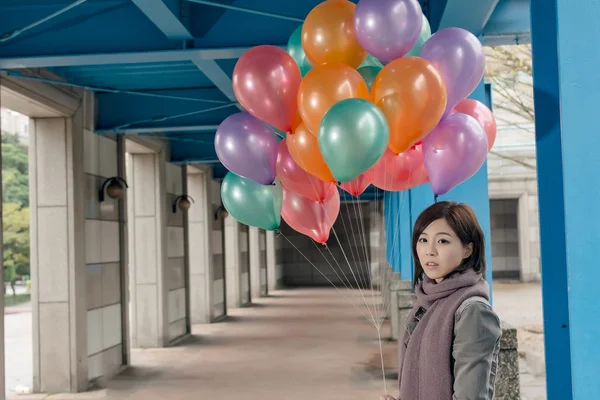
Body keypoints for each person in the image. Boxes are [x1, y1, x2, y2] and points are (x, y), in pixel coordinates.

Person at [381, 201, 502, 400]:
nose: (430, 251)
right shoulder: (426, 299)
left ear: (467, 250)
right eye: (423, 240)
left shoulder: (473, 311)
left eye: (442, 241)